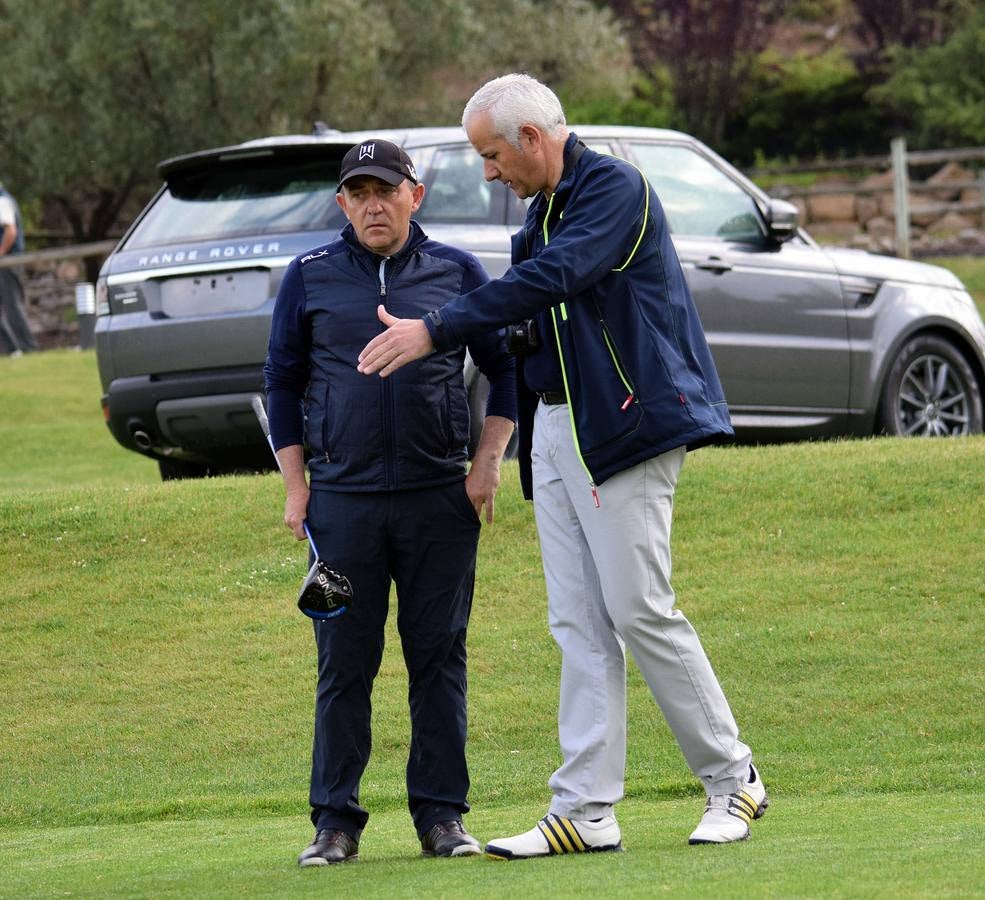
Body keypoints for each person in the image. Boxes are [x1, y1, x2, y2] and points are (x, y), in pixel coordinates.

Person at [356, 74, 768, 857]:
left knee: (638, 608)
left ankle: (733, 779)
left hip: (625, 425)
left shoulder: (613, 188)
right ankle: (584, 808)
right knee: (577, 621)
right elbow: (541, 317)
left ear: (532, 140)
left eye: (491, 155)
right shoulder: (538, 214)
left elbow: (556, 278)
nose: (488, 172)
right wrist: (491, 345)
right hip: (557, 429)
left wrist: (435, 329)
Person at [264, 139, 516, 866]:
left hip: (440, 500)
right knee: (343, 661)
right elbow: (280, 381)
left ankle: (441, 817)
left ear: (416, 195)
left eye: (386, 190)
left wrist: (486, 466)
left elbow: (504, 373)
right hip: (340, 508)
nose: (373, 204)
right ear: (342, 203)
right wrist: (295, 486)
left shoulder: (457, 273)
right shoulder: (309, 277)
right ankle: (334, 823)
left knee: (438, 656)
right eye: (359, 193)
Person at [0, 181, 38, 356]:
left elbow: (11, 231)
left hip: (8, 262)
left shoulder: (3, 201)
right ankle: (11, 349)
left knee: (12, 305)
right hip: (5, 261)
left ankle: (28, 347)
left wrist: (0, 253)